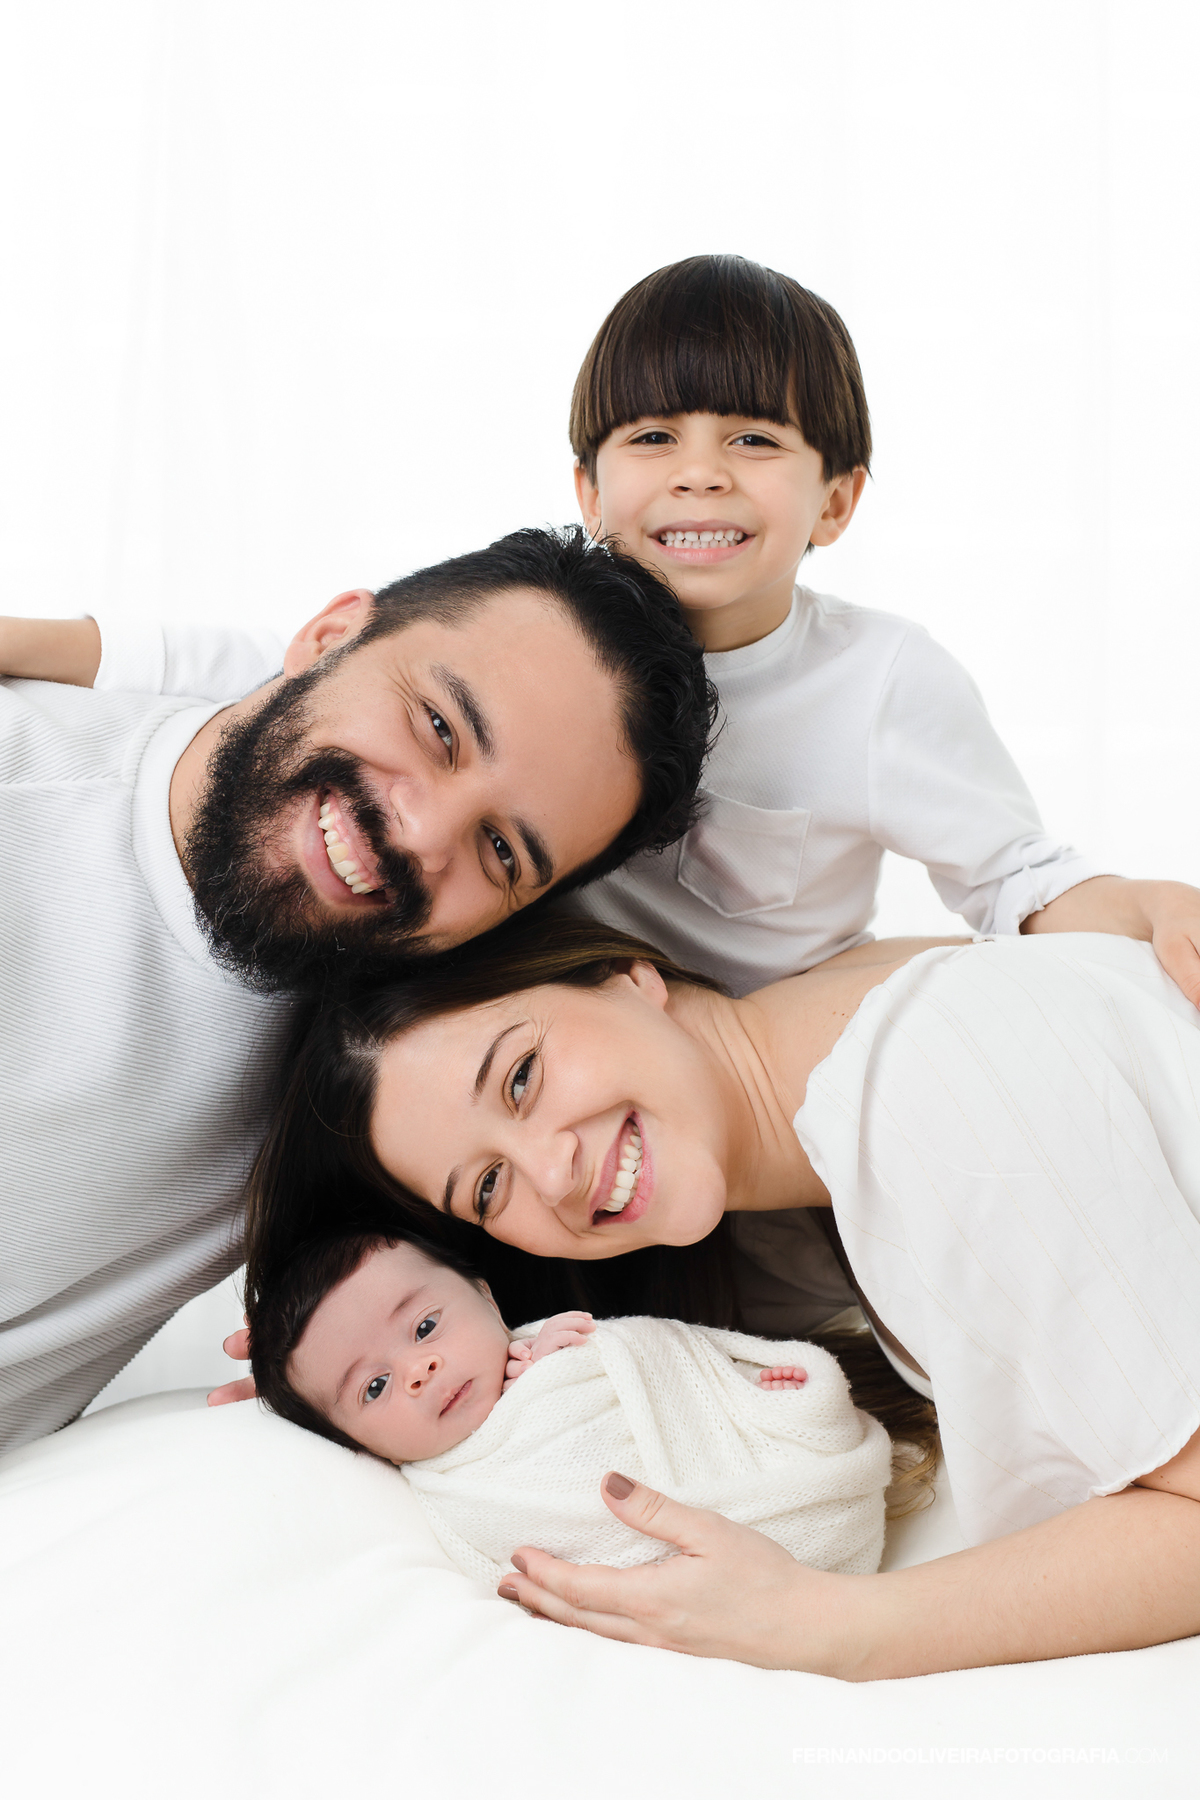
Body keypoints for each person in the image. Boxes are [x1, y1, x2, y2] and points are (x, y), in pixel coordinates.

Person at [240, 910, 1200, 1676]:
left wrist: (837, 1627)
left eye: (524, 1075)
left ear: (626, 974)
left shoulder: (932, 1083)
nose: (553, 1170)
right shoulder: (807, 1150)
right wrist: (360, 1359)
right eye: (488, 1188)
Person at [0, 528, 714, 1451]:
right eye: (439, 728)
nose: (420, 833)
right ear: (329, 637)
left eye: (502, 851)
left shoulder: (391, 1074)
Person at [247, 1226, 896, 1587]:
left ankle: (775, 1409)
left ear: (486, 1296)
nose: (419, 1371)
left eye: (423, 1329)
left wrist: (580, 1359)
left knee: (785, 1395)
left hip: (756, 1477)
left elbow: (658, 1357)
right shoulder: (455, 1493)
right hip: (696, 1578)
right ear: (355, 1443)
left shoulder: (559, 1346)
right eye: (374, 1387)